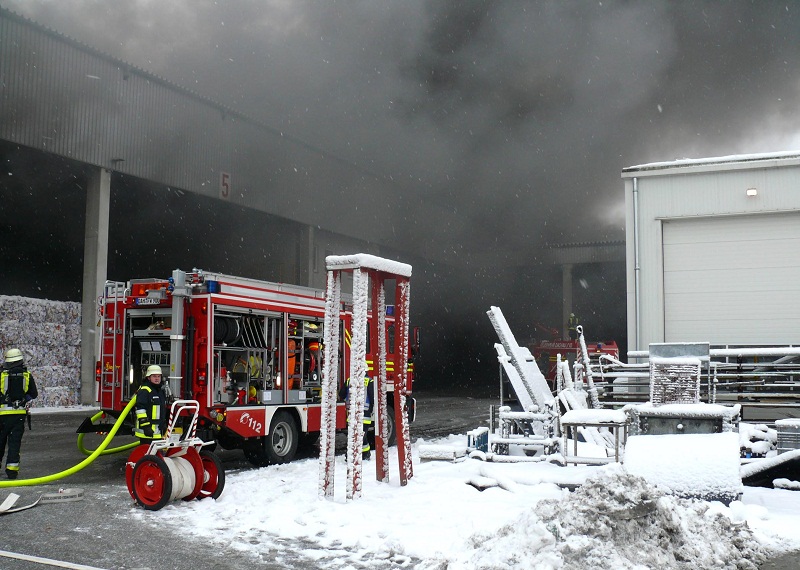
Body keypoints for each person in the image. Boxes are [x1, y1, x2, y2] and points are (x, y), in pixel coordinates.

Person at [0, 348, 38, 479]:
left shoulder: (1, 375)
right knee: (14, 443)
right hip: (18, 416)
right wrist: (24, 397)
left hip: (2, 417)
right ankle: (12, 470)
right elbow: (34, 394)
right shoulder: (26, 375)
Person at [339, 374, 375, 460]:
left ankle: (359, 454)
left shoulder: (349, 380)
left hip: (352, 414)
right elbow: (373, 398)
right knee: (362, 436)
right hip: (365, 415)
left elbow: (342, 394)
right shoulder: (369, 381)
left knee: (354, 436)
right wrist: (371, 410)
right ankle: (363, 454)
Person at [133, 364, 168, 442]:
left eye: (159, 376)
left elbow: (161, 410)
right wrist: (146, 426)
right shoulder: (145, 390)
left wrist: (163, 425)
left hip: (157, 433)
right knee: (147, 453)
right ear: (148, 378)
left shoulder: (160, 391)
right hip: (146, 433)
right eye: (154, 376)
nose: (157, 379)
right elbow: (140, 410)